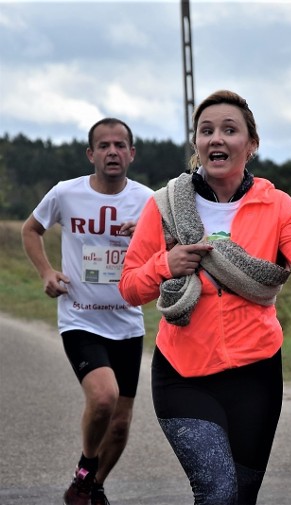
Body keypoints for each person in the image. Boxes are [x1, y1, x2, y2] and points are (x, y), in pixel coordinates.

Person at [118, 89, 291, 505]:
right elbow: (130, 288)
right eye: (207, 130)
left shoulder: (277, 206)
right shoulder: (163, 205)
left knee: (242, 496)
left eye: (229, 130)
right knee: (217, 494)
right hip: (182, 374)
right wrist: (166, 265)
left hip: (256, 376)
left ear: (251, 144)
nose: (216, 138)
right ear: (197, 144)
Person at [21, 118, 154, 505]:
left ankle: (90, 487)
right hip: (80, 317)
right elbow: (31, 229)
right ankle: (85, 470)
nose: (112, 152)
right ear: (91, 154)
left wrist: (147, 235)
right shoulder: (66, 194)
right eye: (104, 145)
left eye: (119, 145)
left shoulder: (148, 201)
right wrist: (46, 272)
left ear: (131, 153)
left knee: (120, 425)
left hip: (128, 322)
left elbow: (169, 247)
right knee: (103, 399)